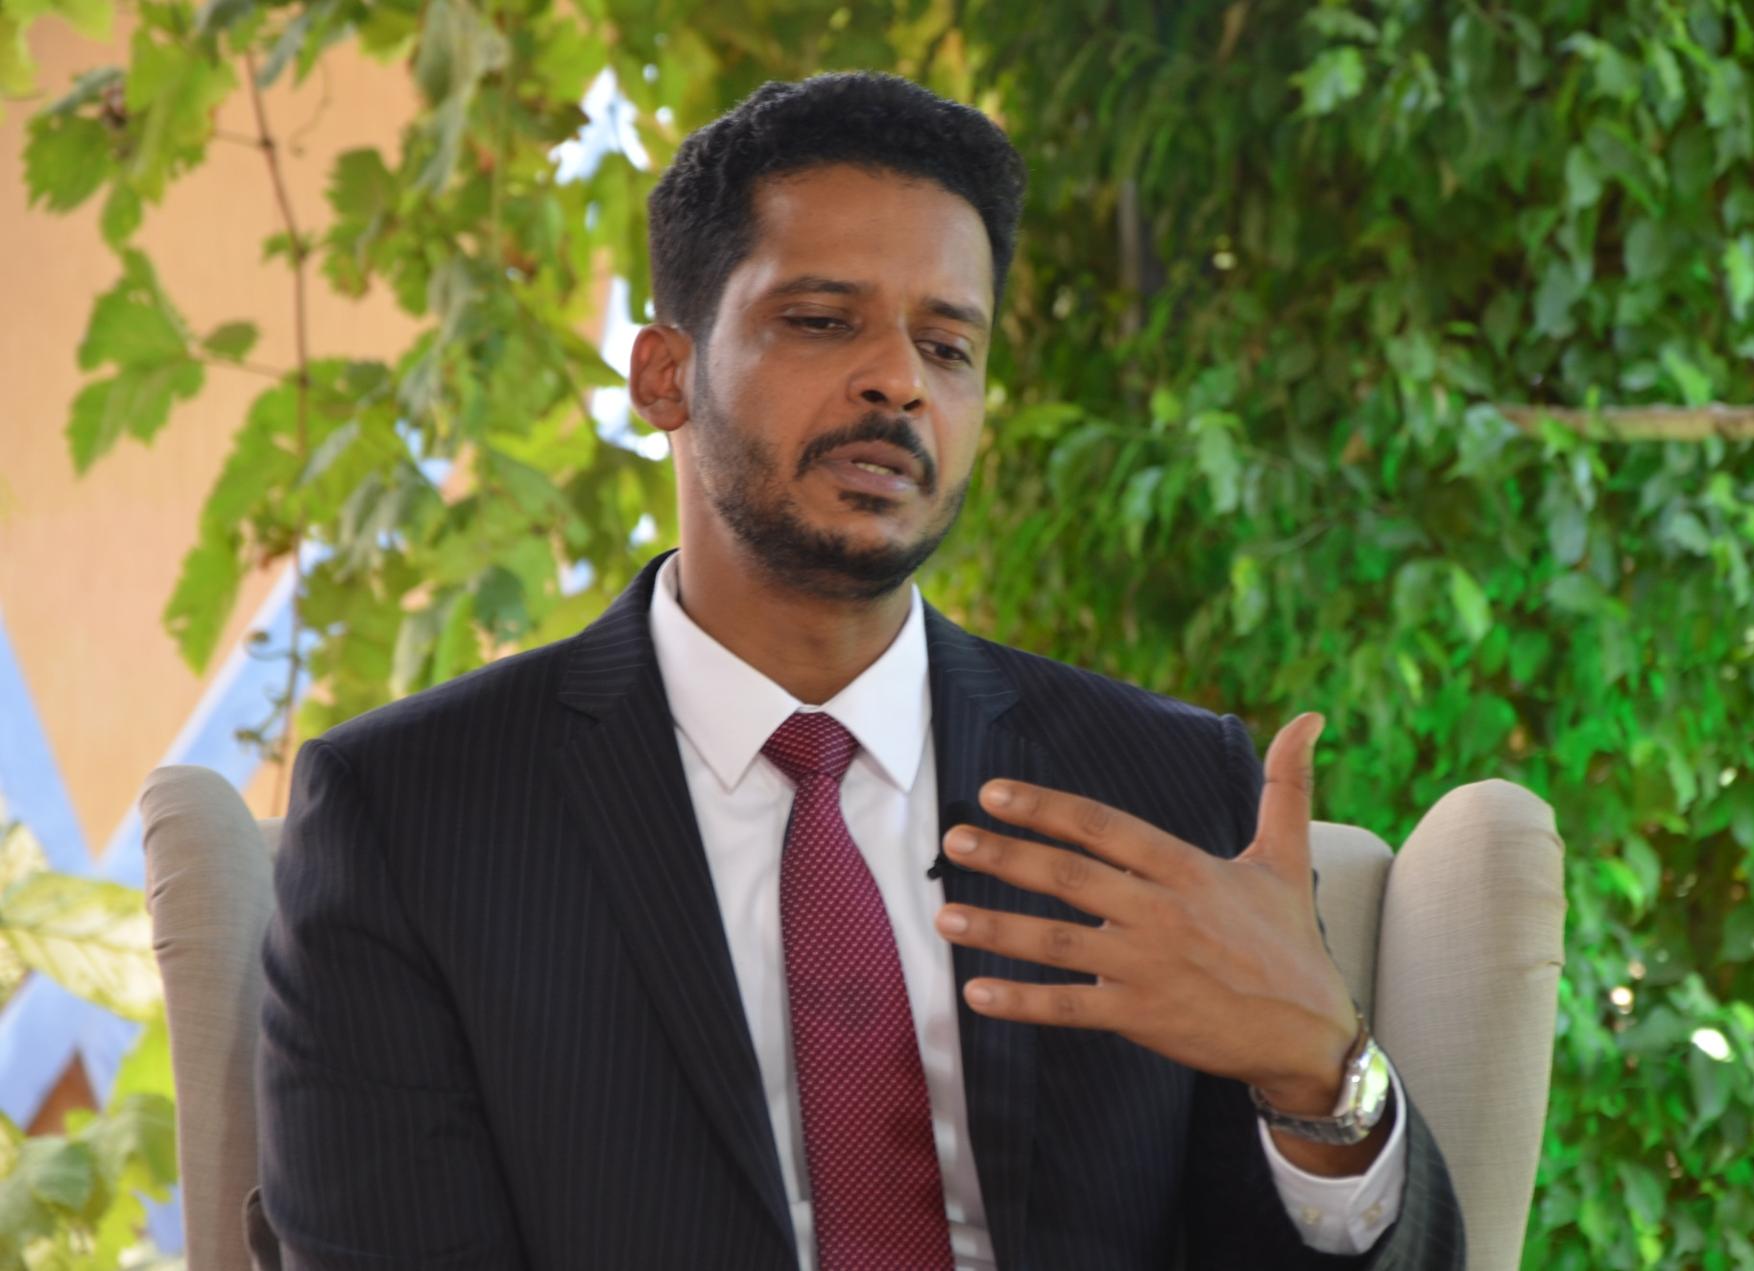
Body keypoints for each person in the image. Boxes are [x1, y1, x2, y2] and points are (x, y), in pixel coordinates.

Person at [255, 71, 1465, 1270]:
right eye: (824, 321)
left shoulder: (1165, 790)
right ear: (663, 375)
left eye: (948, 345)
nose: (901, 381)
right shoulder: (415, 816)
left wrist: (1323, 1079)